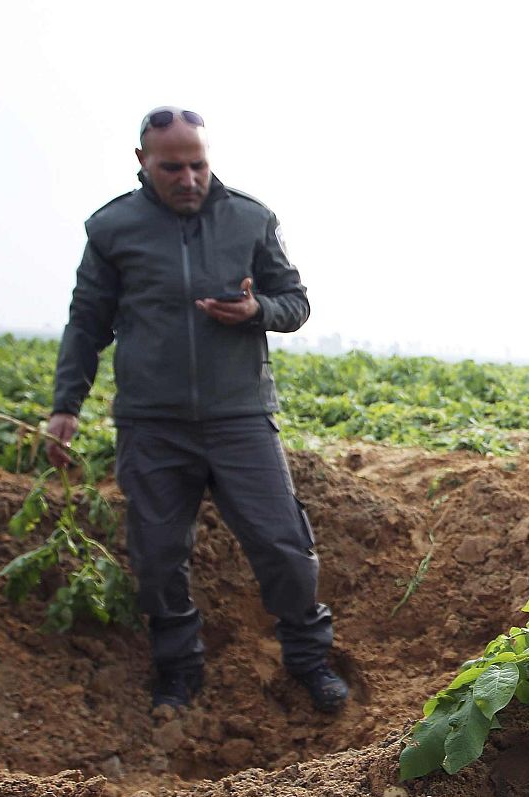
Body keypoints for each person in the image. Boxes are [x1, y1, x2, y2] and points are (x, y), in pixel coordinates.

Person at [46, 106, 348, 712]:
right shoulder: (112, 229)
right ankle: (178, 672)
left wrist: (256, 311)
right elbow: (87, 323)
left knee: (285, 547)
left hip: (239, 416)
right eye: (172, 167)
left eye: (198, 165)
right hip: (152, 423)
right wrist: (65, 405)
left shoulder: (251, 219)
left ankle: (310, 661)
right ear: (142, 163)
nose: (188, 179)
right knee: (158, 558)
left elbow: (295, 302)